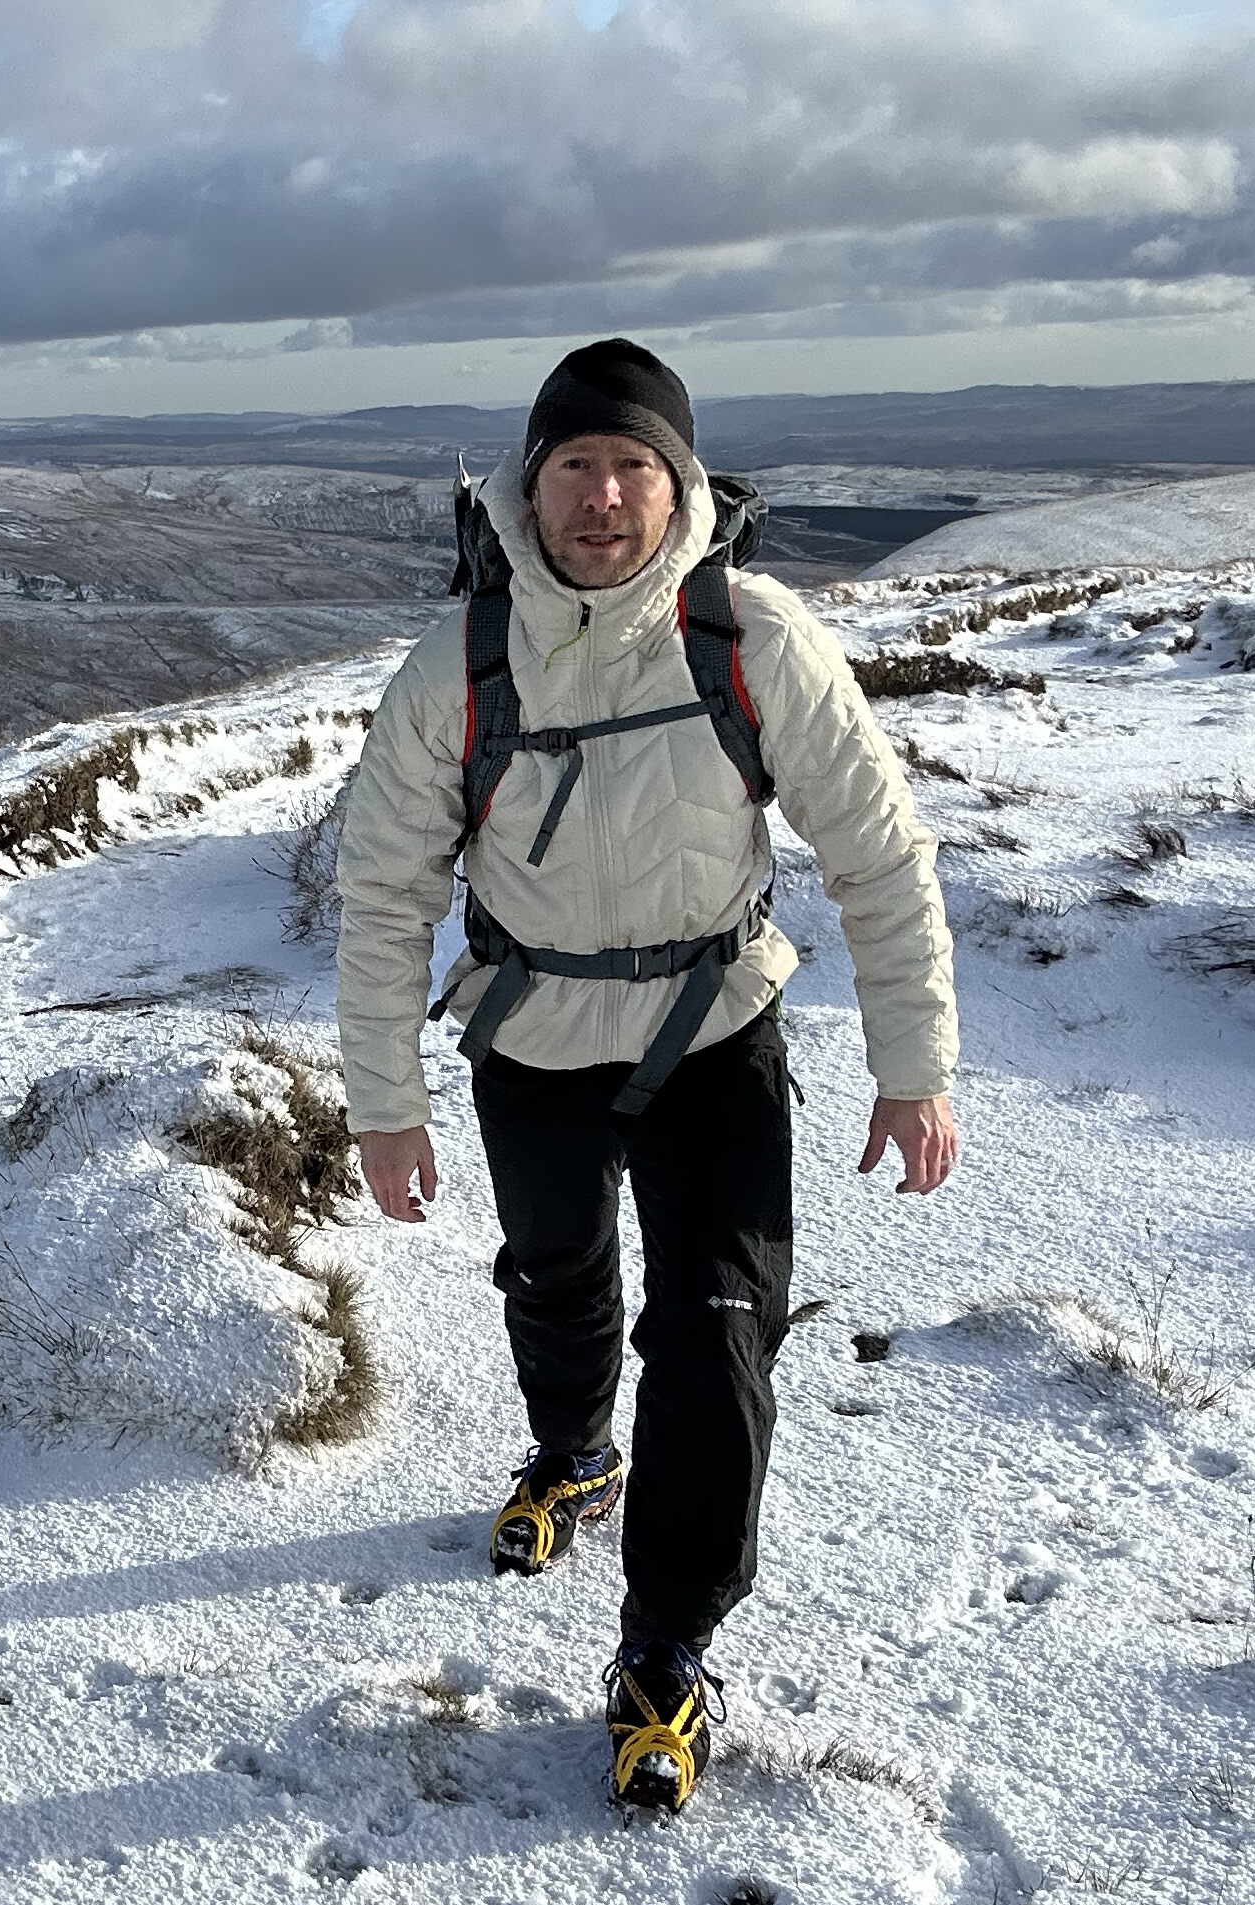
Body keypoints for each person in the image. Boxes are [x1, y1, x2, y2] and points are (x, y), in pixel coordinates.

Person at [329, 337, 961, 1814]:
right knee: (553, 1275)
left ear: (680, 484)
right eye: (575, 465)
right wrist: (384, 1106)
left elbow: (879, 853)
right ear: (525, 487)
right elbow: (383, 892)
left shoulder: (751, 638)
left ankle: (665, 1646)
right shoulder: (462, 665)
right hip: (532, 1033)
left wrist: (912, 1066)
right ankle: (570, 1453)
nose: (604, 497)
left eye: (634, 466)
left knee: (720, 1338)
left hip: (712, 1029)